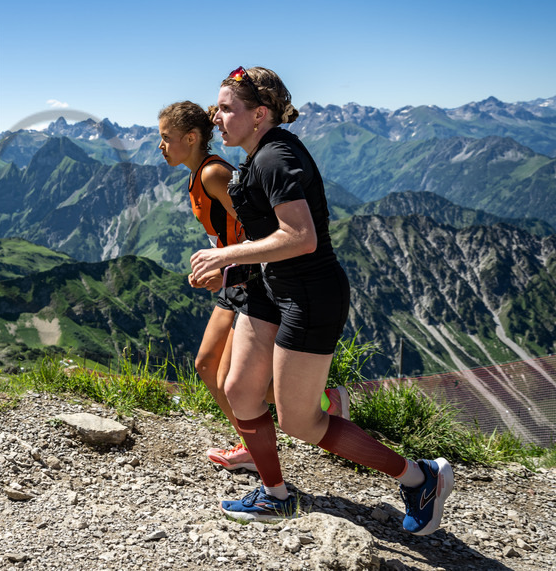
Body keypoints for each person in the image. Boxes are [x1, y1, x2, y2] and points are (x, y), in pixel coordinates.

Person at [191, 66, 453, 535]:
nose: (217, 117)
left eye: (228, 108)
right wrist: (232, 269)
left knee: (301, 421)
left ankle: (420, 477)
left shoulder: (276, 157)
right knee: (240, 391)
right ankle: (276, 495)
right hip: (271, 289)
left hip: (310, 296)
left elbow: (301, 236)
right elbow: (269, 236)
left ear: (260, 114)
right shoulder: (253, 157)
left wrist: (228, 253)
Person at [159, 101, 347, 473]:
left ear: (191, 138)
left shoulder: (213, 174)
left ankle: (315, 406)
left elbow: (254, 225)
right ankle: (262, 435)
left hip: (250, 276)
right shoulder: (200, 174)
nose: (161, 146)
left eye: (166, 138)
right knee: (208, 365)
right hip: (236, 272)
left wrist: (226, 266)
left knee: (228, 375)